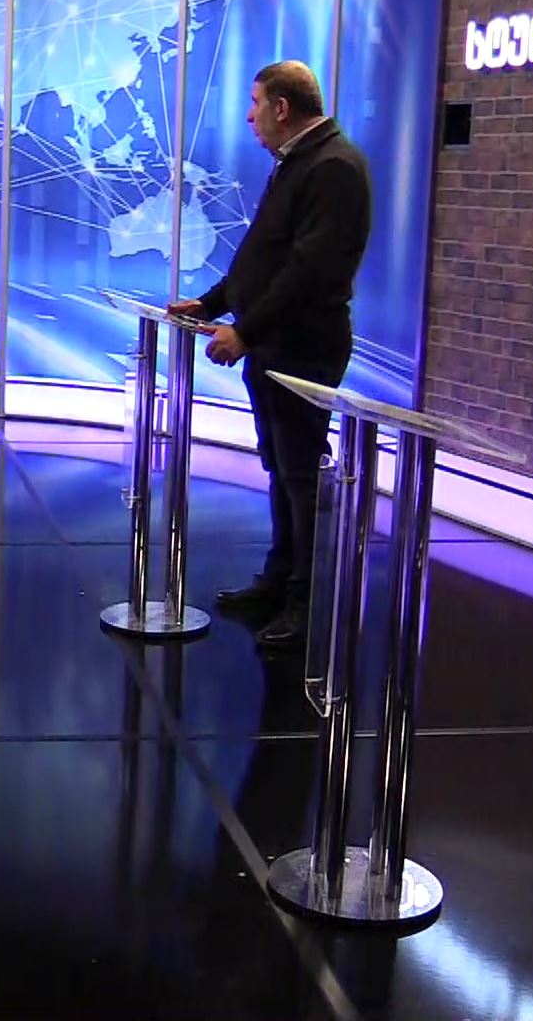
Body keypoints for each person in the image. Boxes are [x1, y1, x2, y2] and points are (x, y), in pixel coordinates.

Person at [169, 60, 371, 649]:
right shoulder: (298, 162)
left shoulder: (333, 168)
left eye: (256, 103)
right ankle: (279, 580)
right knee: (281, 470)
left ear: (283, 108)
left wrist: (246, 331)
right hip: (277, 345)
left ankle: (306, 602)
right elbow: (264, 254)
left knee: (301, 476)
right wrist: (211, 303)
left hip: (303, 348)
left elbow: (309, 271)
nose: (249, 116)